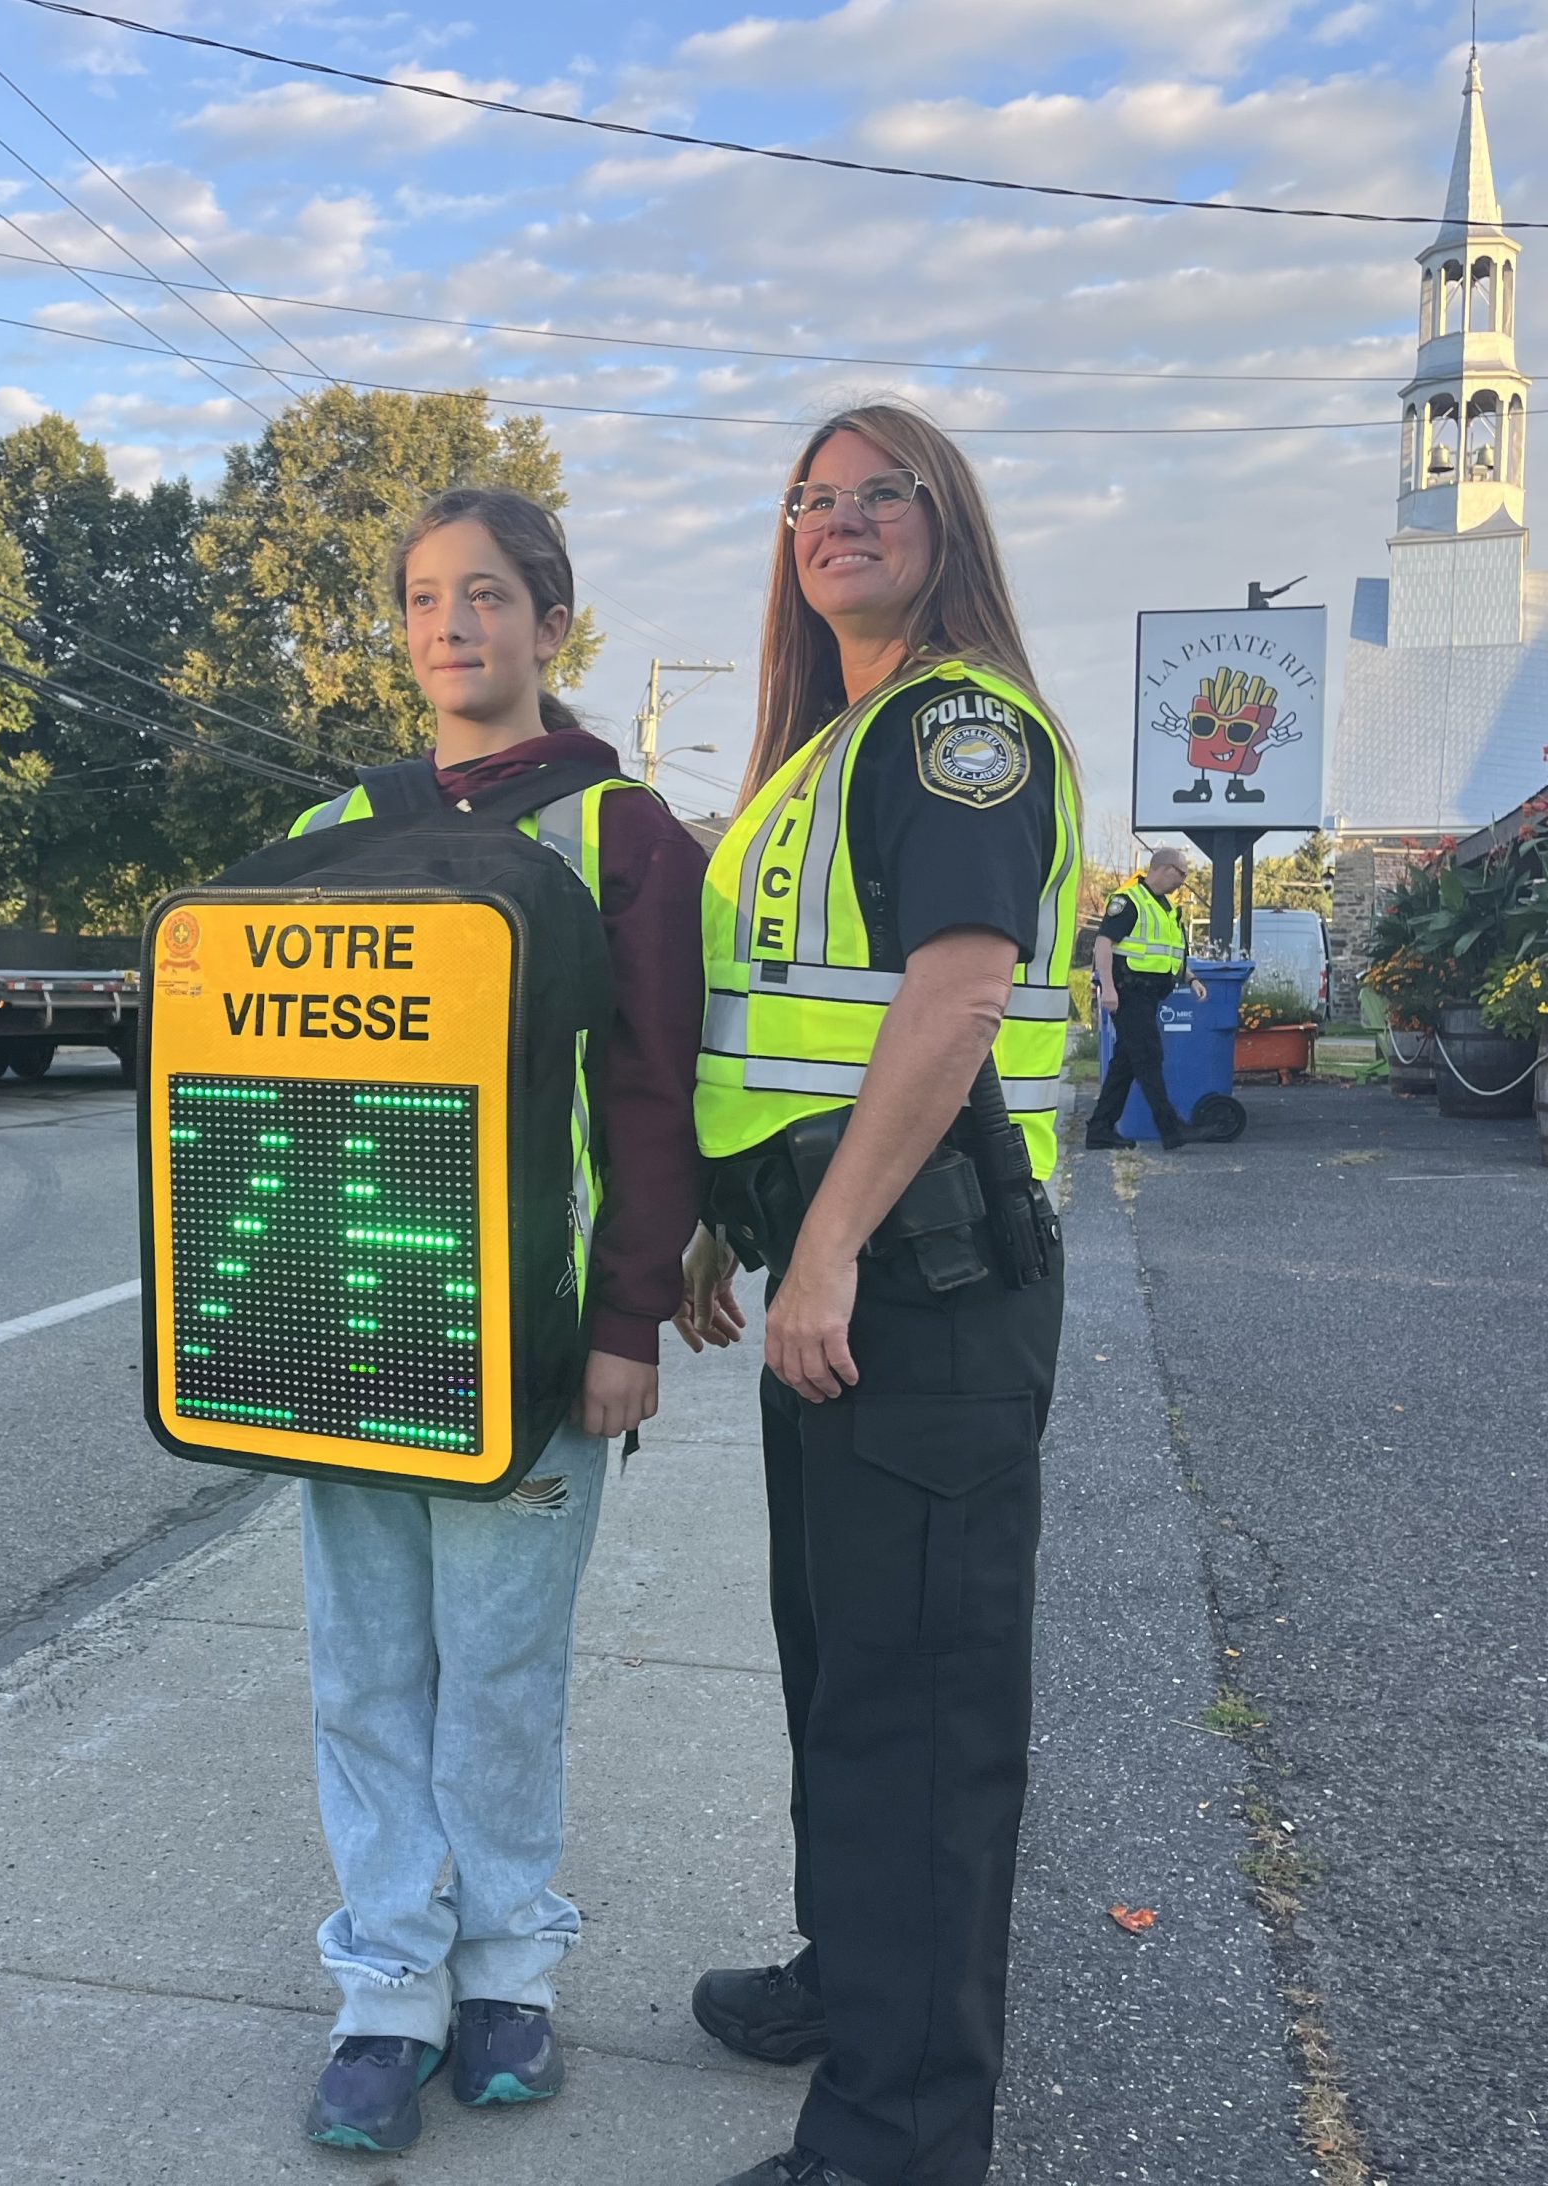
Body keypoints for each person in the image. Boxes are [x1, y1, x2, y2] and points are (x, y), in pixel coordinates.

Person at [674, 403, 1081, 2186]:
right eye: (810, 501)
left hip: (924, 1289)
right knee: (842, 1668)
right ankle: (856, 1981)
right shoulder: (827, 747)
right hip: (835, 1277)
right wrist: (729, 1224)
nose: (837, 521)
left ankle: (901, 2142)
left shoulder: (956, 726)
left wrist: (825, 1246)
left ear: (947, 521)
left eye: (878, 494)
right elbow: (777, 1026)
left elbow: (960, 992)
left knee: (918, 1717)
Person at [290, 488, 707, 2154]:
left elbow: (655, 1094)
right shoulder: (333, 829)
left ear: (549, 619)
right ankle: (386, 1984)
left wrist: (630, 1325)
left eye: (486, 596)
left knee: (502, 1675)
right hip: (343, 1324)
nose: (452, 626)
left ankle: (508, 1969)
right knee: (363, 1669)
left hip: (534, 1340)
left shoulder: (624, 834)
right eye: (421, 599)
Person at [1083, 846, 1207, 1150]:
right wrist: (1108, 989)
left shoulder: (1166, 908)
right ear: (1165, 868)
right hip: (1129, 992)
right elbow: (1103, 945)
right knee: (1149, 1057)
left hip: (1150, 995)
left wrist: (1190, 978)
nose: (1183, 880)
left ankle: (1100, 1129)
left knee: (1126, 1062)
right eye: (1182, 873)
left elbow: (1169, 951)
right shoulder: (1129, 901)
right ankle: (1171, 1129)